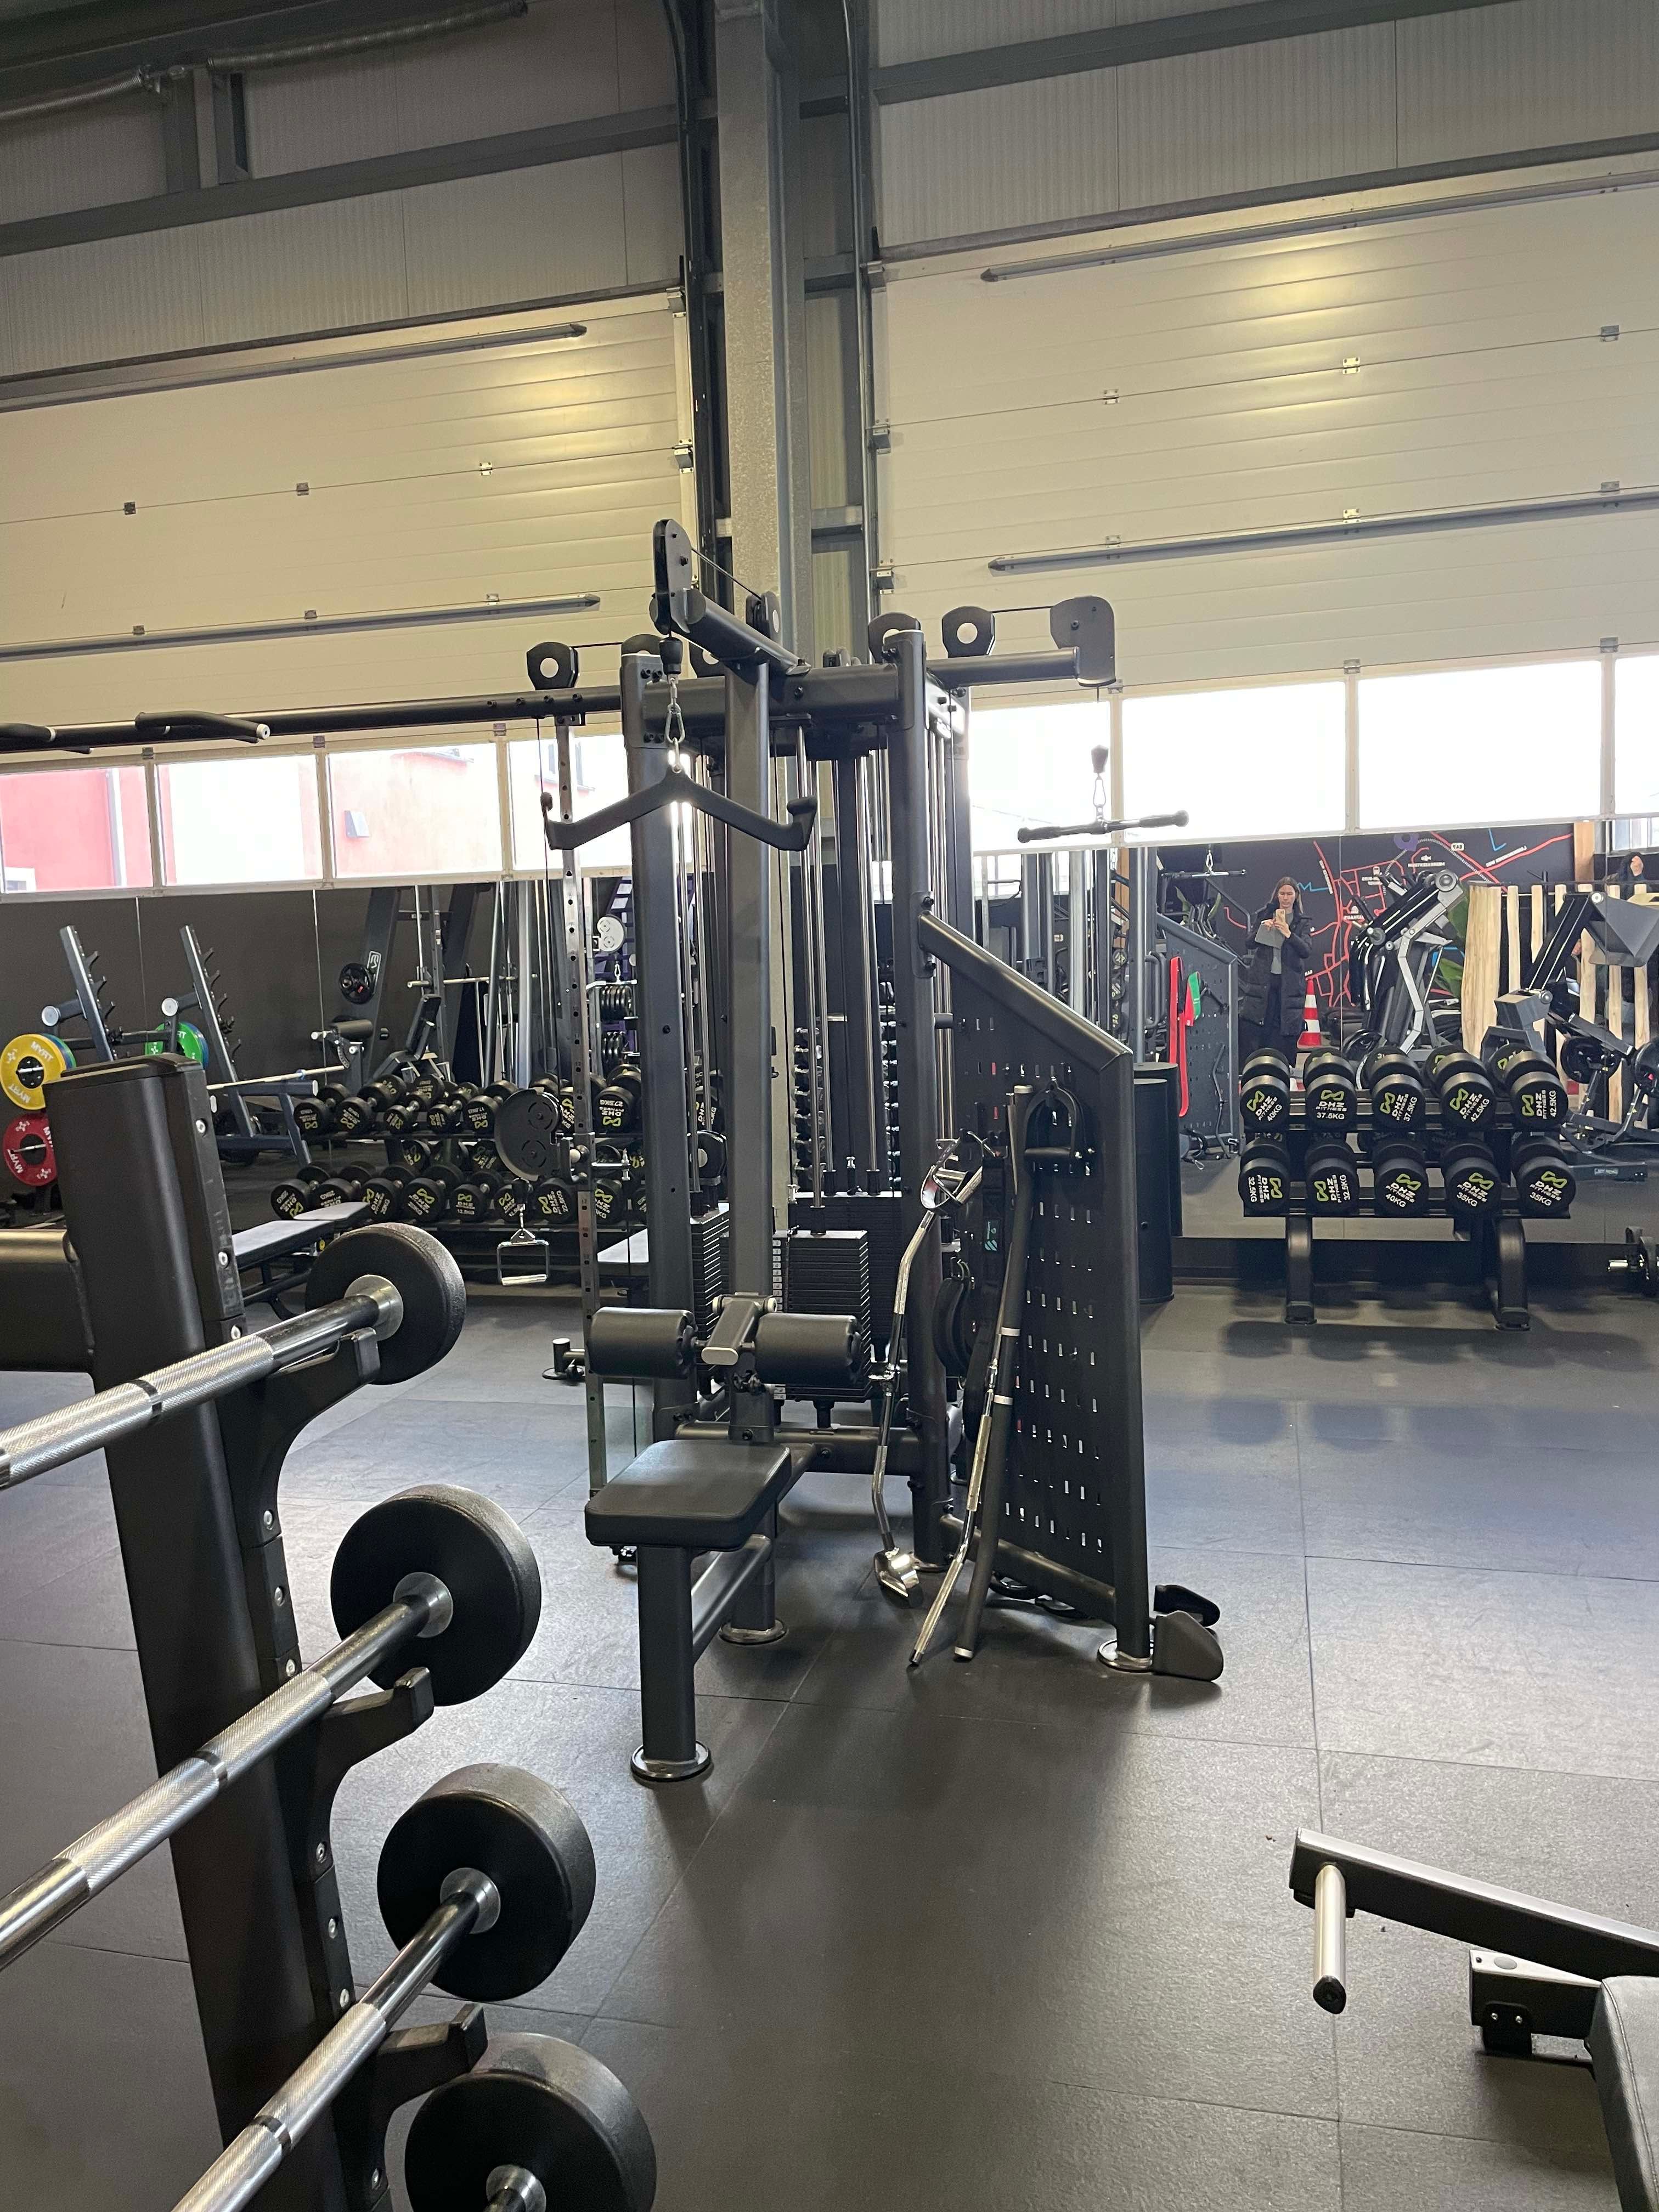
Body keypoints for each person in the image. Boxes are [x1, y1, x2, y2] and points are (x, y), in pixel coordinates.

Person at [1238, 876, 1312, 1062]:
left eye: (1289, 894)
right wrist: (1263, 930)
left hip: (1289, 984)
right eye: (1282, 894)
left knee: (1284, 1027)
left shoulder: (1302, 922)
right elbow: (1249, 943)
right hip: (1264, 981)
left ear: (1296, 896)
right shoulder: (1264, 914)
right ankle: (1256, 1063)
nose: (1286, 898)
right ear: (1277, 895)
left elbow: (1305, 951)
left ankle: (1283, 1064)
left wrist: (1289, 933)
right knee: (1259, 1024)